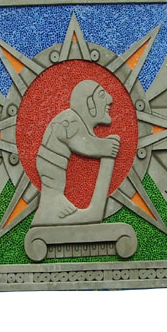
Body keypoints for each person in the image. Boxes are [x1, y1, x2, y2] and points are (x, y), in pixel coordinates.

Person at [32, 80, 120, 226]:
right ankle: (51, 206)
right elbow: (84, 144)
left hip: (53, 166)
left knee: (54, 184)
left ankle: (53, 203)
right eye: (101, 95)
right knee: (52, 185)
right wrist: (105, 146)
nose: (110, 99)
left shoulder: (77, 122)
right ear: (90, 104)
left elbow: (87, 140)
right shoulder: (70, 120)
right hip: (49, 165)